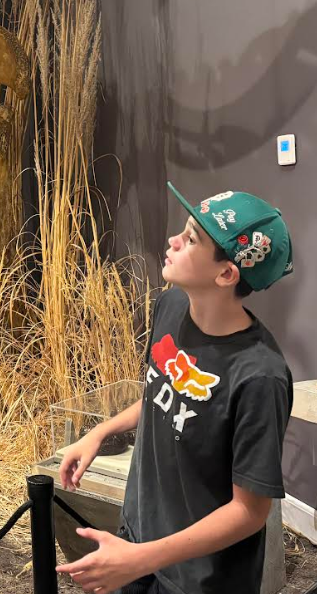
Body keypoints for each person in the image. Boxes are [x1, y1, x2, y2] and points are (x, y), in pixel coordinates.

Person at [56, 182, 294, 594]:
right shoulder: (170, 308)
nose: (172, 241)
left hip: (199, 579)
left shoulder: (259, 377)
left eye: (190, 239)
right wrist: (100, 431)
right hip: (139, 536)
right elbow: (160, 390)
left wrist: (139, 559)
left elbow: (250, 511)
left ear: (226, 273)